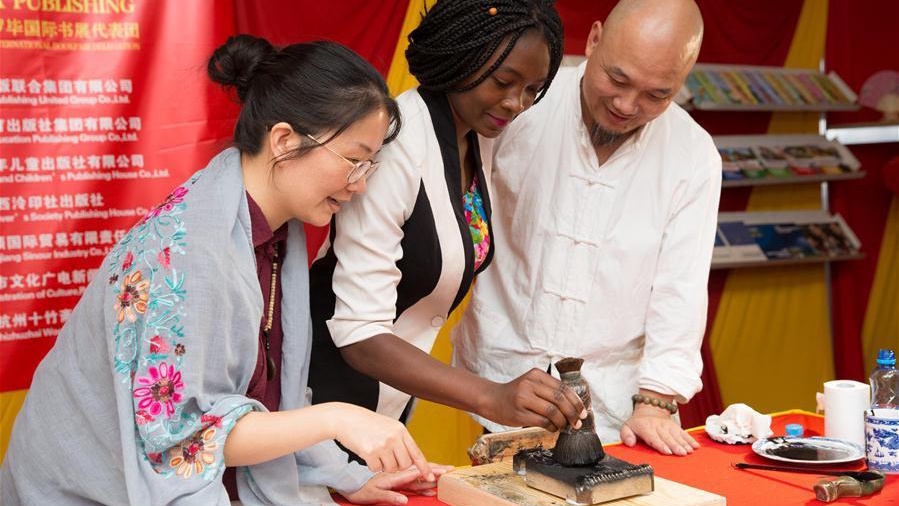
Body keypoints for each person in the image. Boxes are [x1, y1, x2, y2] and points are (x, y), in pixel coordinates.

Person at [0, 35, 448, 506]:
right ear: (283, 140)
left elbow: (262, 402)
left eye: (370, 166)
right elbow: (181, 436)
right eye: (353, 161)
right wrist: (338, 418)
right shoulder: (188, 249)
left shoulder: (276, 230)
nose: (359, 185)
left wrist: (349, 477)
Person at [454, 0, 722, 456]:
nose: (626, 104)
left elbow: (681, 289)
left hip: (618, 405)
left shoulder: (694, 156)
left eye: (657, 94)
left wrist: (657, 399)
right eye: (617, 79)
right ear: (594, 40)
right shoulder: (519, 104)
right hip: (503, 378)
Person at [309, 0, 588, 433]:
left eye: (533, 89)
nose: (517, 103)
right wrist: (491, 396)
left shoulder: (479, 138)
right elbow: (360, 334)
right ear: (461, 56)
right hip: (324, 400)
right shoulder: (396, 148)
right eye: (503, 81)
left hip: (388, 405)